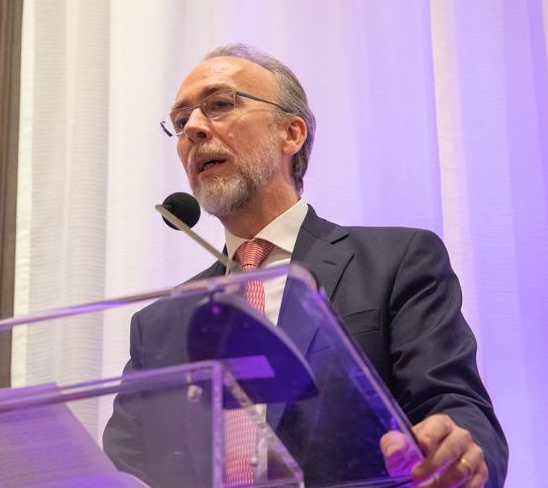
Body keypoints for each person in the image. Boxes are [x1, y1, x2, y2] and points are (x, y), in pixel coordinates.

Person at [103, 44, 508, 487]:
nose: (194, 128)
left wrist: (460, 452)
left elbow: (454, 405)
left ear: (291, 134)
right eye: (181, 122)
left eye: (219, 105)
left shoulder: (396, 262)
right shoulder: (159, 324)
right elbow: (119, 470)